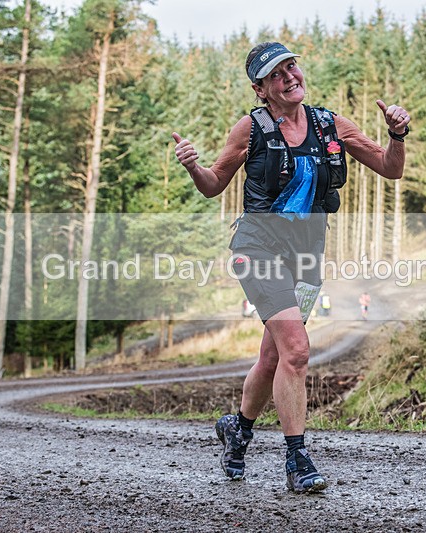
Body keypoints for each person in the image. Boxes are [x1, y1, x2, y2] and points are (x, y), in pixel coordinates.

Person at [172, 42, 409, 493]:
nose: (289, 76)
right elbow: (213, 185)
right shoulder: (251, 128)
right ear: (261, 89)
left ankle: (238, 429)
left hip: (305, 258)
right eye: (276, 74)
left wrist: (397, 135)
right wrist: (193, 167)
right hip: (257, 250)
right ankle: (297, 458)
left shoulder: (330, 124)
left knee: (274, 356)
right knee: (297, 350)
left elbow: (389, 168)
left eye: (292, 66)